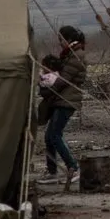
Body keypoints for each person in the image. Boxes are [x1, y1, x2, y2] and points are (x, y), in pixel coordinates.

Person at [39, 25, 87, 185]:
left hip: (67, 101)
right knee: (49, 136)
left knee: (54, 135)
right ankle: (52, 172)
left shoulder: (76, 56)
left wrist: (48, 88)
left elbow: (63, 79)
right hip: (62, 99)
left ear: (68, 39)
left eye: (61, 39)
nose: (60, 43)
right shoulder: (69, 55)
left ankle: (73, 167)